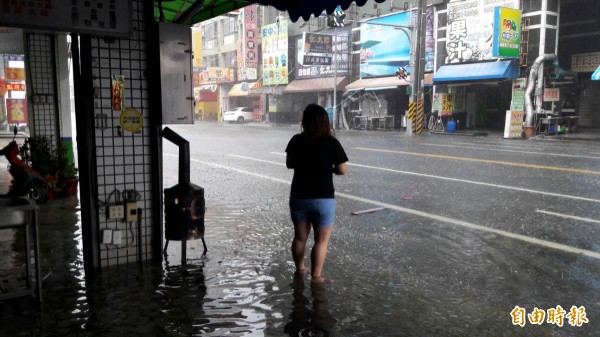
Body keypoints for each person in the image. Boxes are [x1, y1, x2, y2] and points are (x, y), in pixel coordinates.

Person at [285, 103, 348, 284]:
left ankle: (300, 269)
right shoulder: (331, 142)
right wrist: (331, 169)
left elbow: (290, 164)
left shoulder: (296, 140)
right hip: (324, 198)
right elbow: (342, 169)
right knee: (321, 240)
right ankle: (317, 276)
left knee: (299, 237)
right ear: (325, 122)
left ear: (304, 122)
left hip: (299, 196)